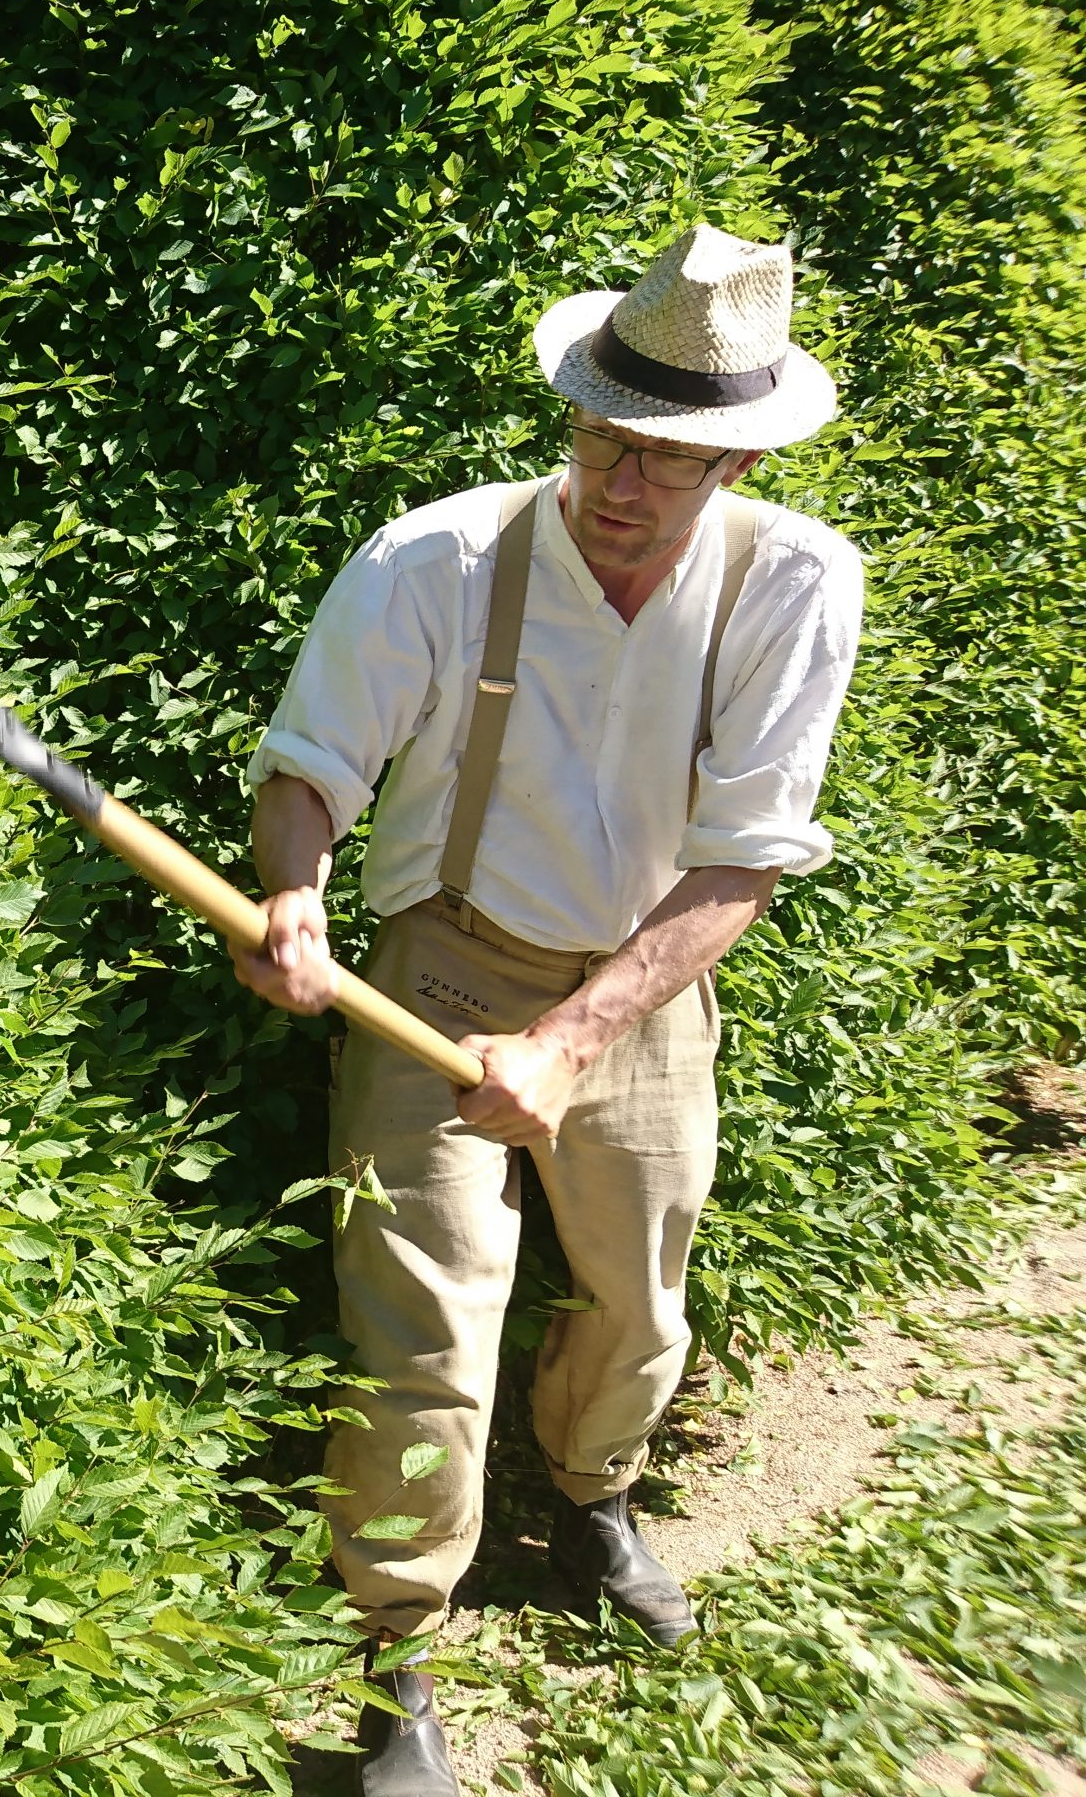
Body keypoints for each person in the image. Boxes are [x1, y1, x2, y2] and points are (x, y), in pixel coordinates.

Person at [235, 225, 863, 1796]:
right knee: (420, 1336)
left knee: (640, 1299)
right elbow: (310, 762)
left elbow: (742, 861)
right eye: (605, 437)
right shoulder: (435, 559)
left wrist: (575, 1039)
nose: (624, 481)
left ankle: (591, 1499)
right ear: (573, 415)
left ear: (736, 463)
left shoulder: (796, 585)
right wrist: (298, 898)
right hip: (440, 972)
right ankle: (399, 1655)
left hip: (642, 989)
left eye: (668, 457)